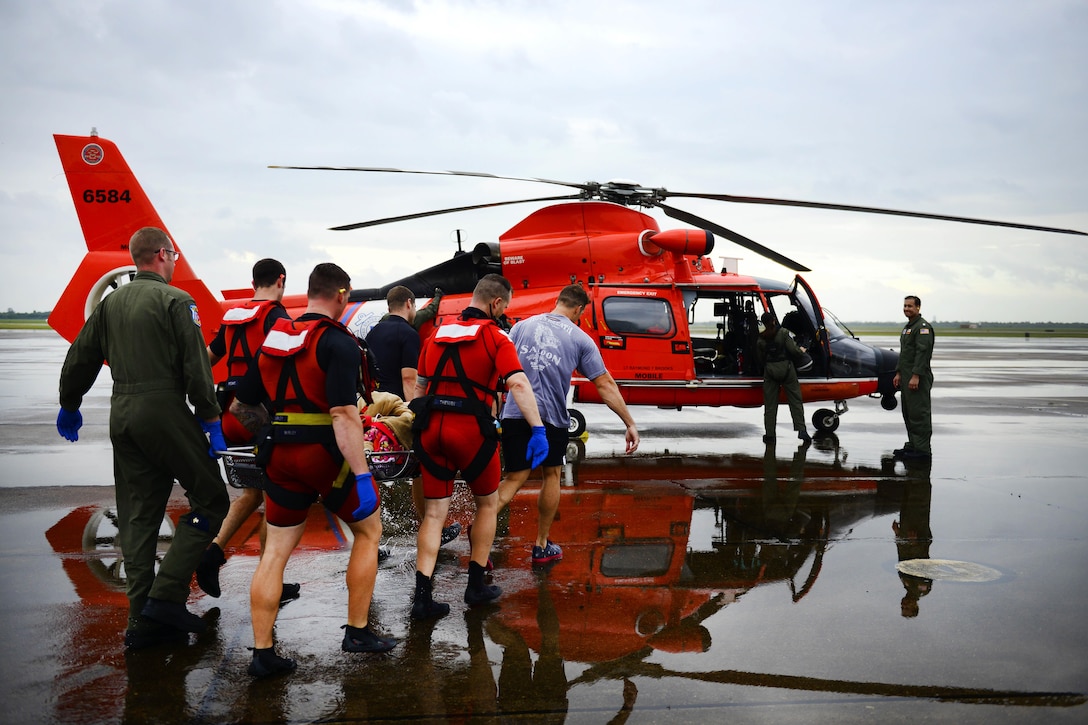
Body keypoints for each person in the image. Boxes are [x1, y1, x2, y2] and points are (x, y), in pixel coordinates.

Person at [56, 226, 231, 650]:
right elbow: (195, 366)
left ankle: (140, 624)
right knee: (213, 499)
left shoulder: (110, 302)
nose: (175, 261)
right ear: (161, 255)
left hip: (123, 413)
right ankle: (165, 596)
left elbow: (80, 356)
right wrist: (209, 418)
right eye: (173, 254)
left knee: (139, 517)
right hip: (164, 409)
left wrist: (70, 401)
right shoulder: (176, 301)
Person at [230, 263, 397, 677]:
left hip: (280, 455)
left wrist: (271, 437)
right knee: (369, 531)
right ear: (341, 295)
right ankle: (358, 632)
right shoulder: (337, 342)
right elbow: (343, 413)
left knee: (274, 554)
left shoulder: (274, 337)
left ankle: (262, 652)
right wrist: (361, 475)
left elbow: (240, 406)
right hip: (323, 454)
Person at [409, 273, 548, 620]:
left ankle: (423, 598)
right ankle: (475, 586)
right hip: (471, 432)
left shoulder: (435, 335)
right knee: (486, 505)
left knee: (434, 514)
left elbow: (419, 388)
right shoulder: (496, 338)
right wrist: (538, 428)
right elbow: (517, 382)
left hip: (431, 430)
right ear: (497, 303)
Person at [496, 284, 639, 565]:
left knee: (513, 478)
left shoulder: (521, 328)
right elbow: (604, 384)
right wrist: (629, 422)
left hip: (515, 413)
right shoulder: (581, 339)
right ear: (579, 309)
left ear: (558, 301)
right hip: (550, 418)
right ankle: (540, 545)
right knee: (551, 475)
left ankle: (481, 533)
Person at [196, 258, 298, 604]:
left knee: (253, 493)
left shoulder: (234, 319)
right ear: (280, 281)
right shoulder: (277, 317)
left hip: (229, 417)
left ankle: (213, 550)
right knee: (275, 499)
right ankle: (271, 581)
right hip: (261, 420)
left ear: (253, 282)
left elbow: (205, 358)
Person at [365, 286, 461, 547]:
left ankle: (371, 539)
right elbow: (409, 378)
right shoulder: (408, 334)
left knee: (374, 472)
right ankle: (431, 527)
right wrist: (414, 412)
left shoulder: (373, 332)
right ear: (409, 303)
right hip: (397, 413)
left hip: (374, 412)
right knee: (419, 469)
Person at [756, 312, 811, 444]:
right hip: (787, 370)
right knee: (795, 401)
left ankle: (770, 435)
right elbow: (795, 352)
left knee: (770, 405)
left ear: (763, 323)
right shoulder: (784, 333)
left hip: (770, 371)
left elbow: (759, 359)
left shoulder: (761, 339)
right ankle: (801, 431)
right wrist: (802, 349)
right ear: (774, 320)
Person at [894, 295, 935, 460]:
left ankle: (922, 450)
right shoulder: (908, 327)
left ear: (918, 307)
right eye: (904, 306)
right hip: (906, 377)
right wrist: (898, 373)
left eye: (910, 306)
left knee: (919, 414)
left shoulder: (923, 327)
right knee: (909, 413)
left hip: (917, 377)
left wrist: (916, 375)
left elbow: (922, 353)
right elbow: (904, 354)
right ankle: (913, 445)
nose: (906, 309)